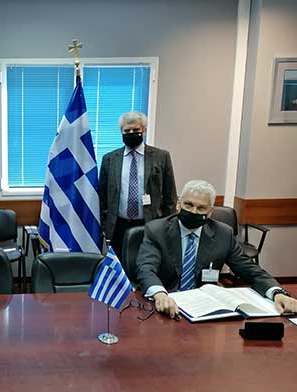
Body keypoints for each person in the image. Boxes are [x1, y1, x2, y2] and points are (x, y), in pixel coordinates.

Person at [136, 180, 297, 317]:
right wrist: (159, 294)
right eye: (188, 205)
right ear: (178, 204)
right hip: (167, 302)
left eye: (201, 208)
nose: (193, 212)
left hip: (205, 307)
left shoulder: (223, 234)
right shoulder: (156, 230)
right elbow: (146, 269)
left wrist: (277, 293)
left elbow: (251, 270)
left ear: (210, 212)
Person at [98, 111, 177, 255]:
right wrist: (104, 225)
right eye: (127, 130)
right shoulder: (109, 159)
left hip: (150, 225)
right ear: (121, 132)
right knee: (119, 265)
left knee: (147, 262)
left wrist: (167, 225)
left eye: (135, 130)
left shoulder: (161, 156)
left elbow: (170, 195)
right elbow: (102, 197)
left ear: (144, 130)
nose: (131, 133)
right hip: (118, 226)